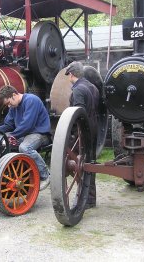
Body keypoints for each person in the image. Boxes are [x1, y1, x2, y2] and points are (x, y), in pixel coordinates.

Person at [0, 85, 51, 191]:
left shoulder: (31, 100)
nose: (9, 106)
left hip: (40, 133)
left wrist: (12, 136)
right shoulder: (13, 107)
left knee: (25, 148)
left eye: (9, 103)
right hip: (24, 134)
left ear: (14, 95)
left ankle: (45, 175)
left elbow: (27, 125)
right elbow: (9, 125)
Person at [65, 61, 100, 208]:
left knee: (77, 163)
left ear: (71, 74)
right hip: (93, 128)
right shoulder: (93, 87)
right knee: (89, 162)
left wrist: (71, 132)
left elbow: (78, 113)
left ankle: (84, 196)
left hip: (82, 131)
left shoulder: (78, 89)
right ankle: (90, 198)